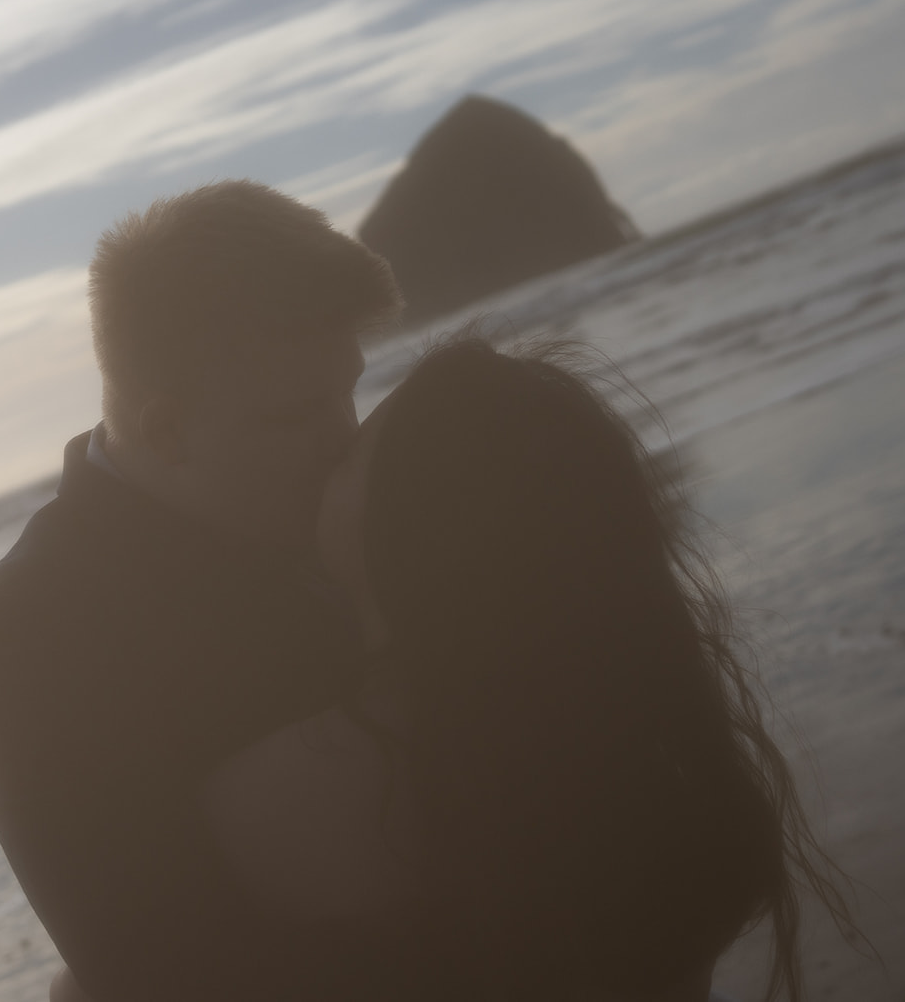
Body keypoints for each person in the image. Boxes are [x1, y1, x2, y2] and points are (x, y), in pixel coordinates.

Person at [202, 337, 862, 1001]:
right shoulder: (642, 754)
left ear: (413, 525)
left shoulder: (271, 797)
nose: (328, 453)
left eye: (348, 460)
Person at [0, 180, 403, 1002]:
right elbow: (159, 969)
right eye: (296, 414)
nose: (346, 437)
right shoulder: (26, 632)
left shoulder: (363, 500)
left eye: (349, 389)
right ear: (168, 429)